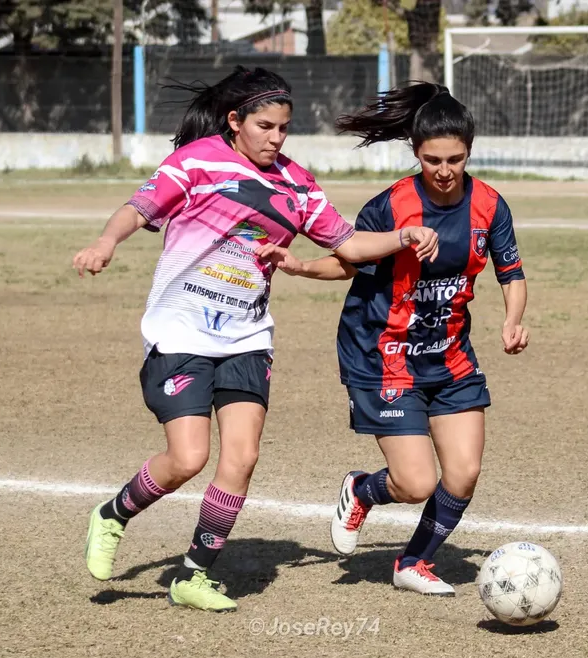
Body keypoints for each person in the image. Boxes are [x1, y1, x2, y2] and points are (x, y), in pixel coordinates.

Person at [71, 66, 439, 613]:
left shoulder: (296, 183)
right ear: (235, 121)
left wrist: (402, 237)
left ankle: (194, 575)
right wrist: (106, 241)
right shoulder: (196, 162)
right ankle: (114, 513)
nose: (276, 137)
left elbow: (349, 245)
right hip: (180, 333)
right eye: (265, 126)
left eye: (284, 128)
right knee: (188, 457)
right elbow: (139, 208)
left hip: (248, 338)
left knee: (240, 458)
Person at [255, 82, 529, 596]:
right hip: (383, 355)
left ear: (469, 150)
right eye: (432, 159)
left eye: (455, 158)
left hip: (448, 355)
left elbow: (511, 272)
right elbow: (349, 261)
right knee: (416, 482)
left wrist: (514, 318)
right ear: (415, 151)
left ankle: (413, 563)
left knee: (463, 473)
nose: (445, 170)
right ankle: (362, 489)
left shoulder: (491, 205)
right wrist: (298, 267)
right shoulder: (394, 205)